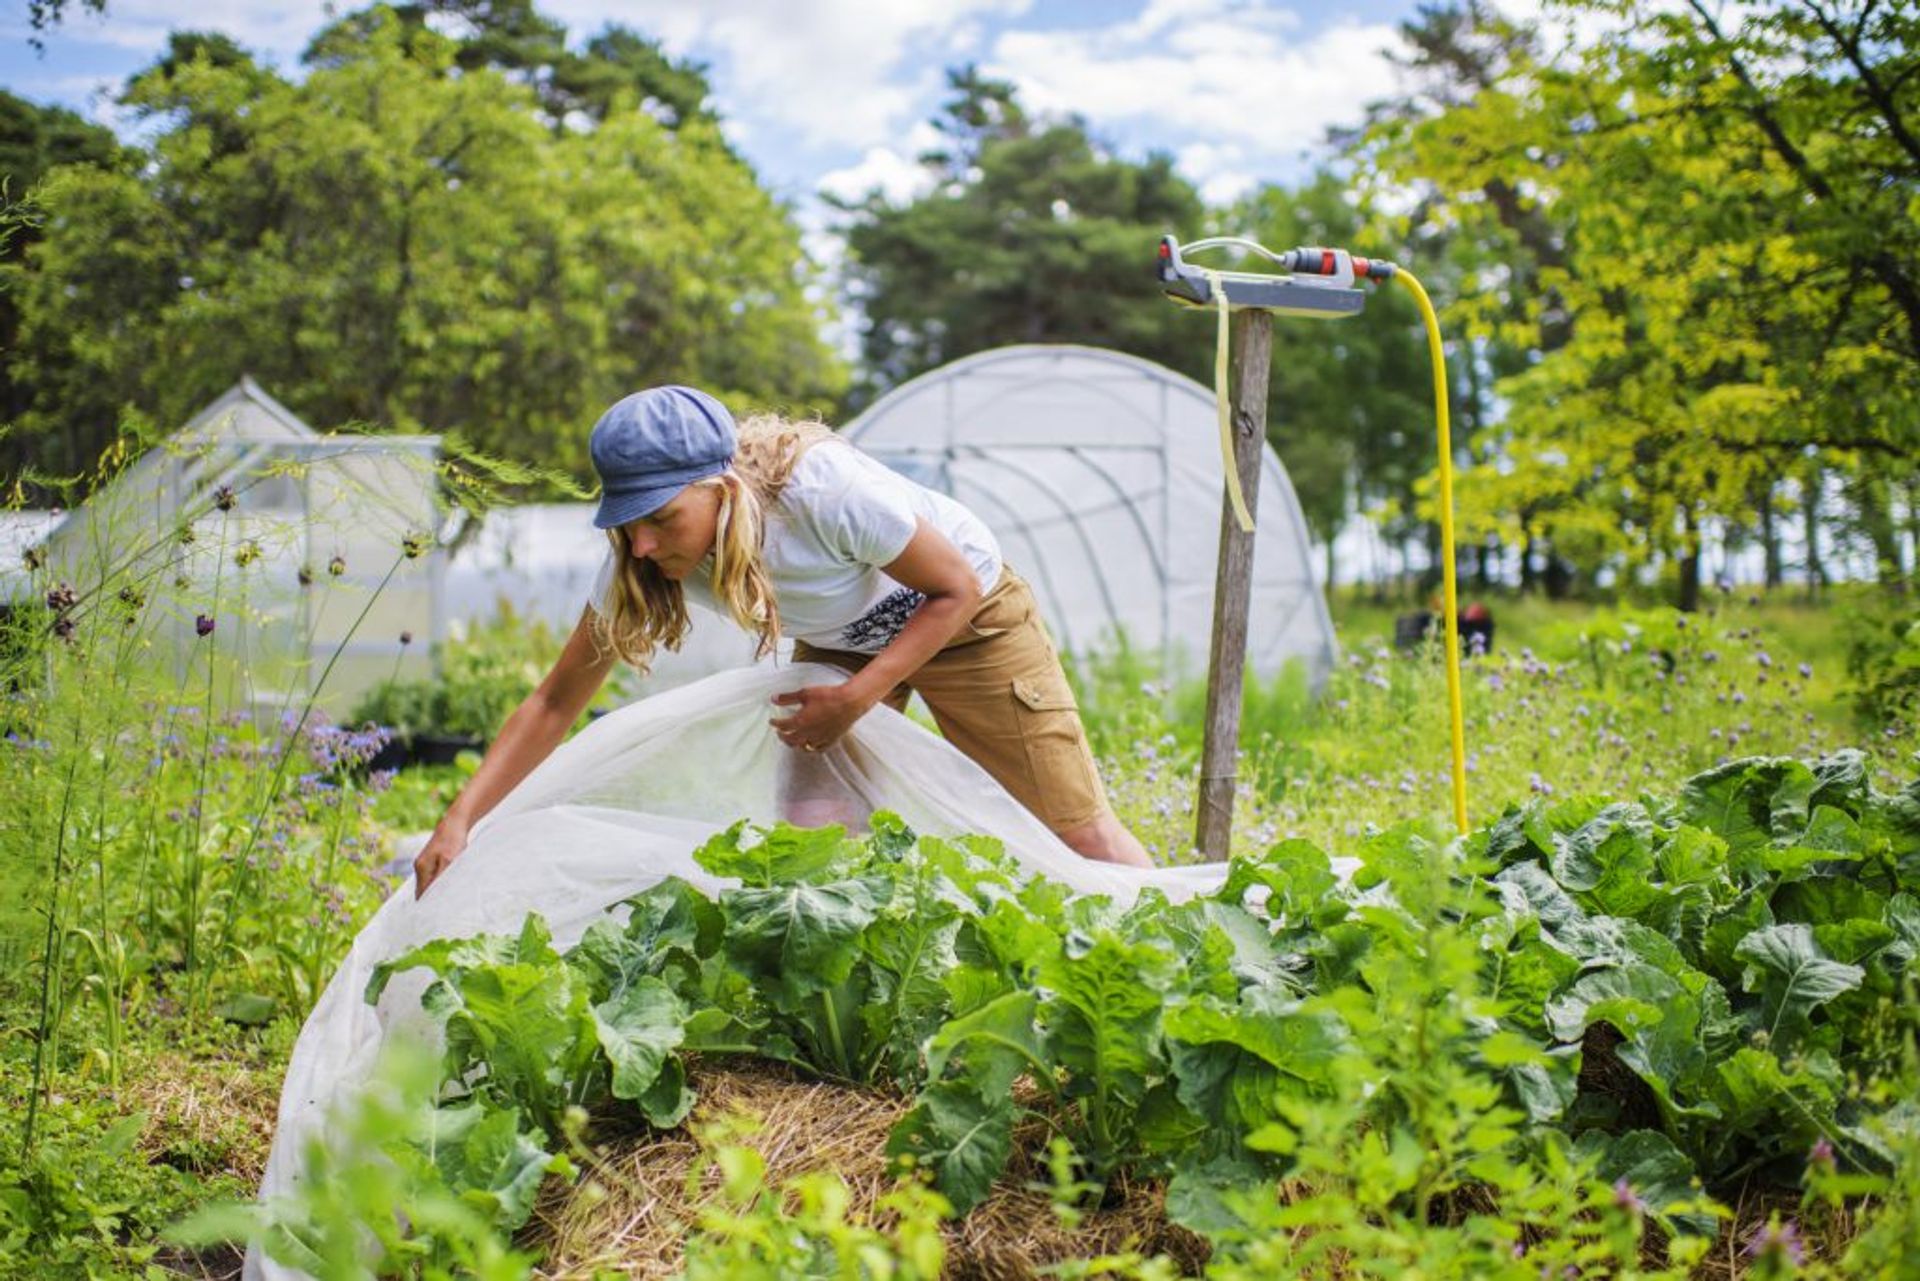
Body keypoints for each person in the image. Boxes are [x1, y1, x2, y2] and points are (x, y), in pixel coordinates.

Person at [411, 385, 1151, 897]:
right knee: (812, 840)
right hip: (844, 641)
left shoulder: (819, 490)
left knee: (1074, 830)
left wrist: (856, 700)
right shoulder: (648, 565)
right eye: (625, 522)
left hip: (968, 619)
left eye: (661, 517)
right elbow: (554, 699)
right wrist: (460, 817)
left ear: (721, 489)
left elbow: (952, 587)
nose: (640, 544)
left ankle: (1176, 948)